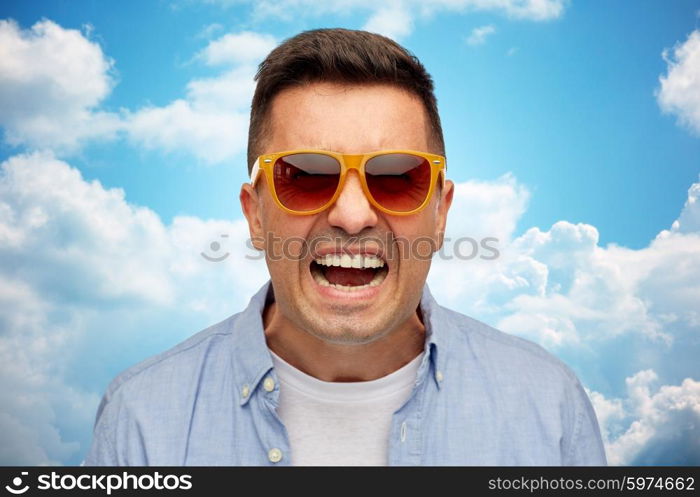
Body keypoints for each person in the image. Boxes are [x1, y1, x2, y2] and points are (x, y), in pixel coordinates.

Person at [84, 28, 607, 466]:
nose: (352, 216)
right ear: (255, 214)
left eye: (398, 177)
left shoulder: (548, 404)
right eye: (305, 176)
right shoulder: (141, 418)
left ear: (441, 211)